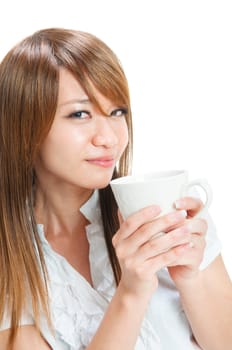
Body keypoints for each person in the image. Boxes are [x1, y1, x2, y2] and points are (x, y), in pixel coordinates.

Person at [0, 28, 231, 350]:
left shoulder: (167, 212)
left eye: (117, 112)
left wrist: (190, 276)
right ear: (24, 127)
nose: (108, 137)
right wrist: (133, 290)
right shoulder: (10, 256)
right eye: (80, 114)